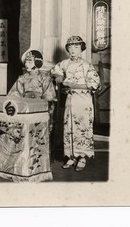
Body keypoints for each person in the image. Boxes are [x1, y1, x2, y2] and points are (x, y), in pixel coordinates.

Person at [51, 35, 100, 172]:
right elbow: (54, 71)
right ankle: (71, 156)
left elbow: (95, 83)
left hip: (83, 100)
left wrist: (73, 84)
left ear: (81, 49)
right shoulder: (65, 63)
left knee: (83, 127)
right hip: (70, 100)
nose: (73, 50)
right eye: (70, 47)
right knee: (69, 127)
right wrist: (59, 76)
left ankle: (82, 157)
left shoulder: (86, 65)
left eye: (76, 47)